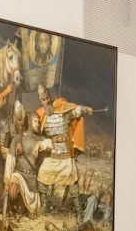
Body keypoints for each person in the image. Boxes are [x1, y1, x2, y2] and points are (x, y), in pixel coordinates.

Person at [34, 83, 94, 212]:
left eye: (47, 98)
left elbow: (74, 111)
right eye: (43, 100)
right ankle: (44, 207)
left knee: (72, 181)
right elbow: (38, 133)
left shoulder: (62, 109)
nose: (46, 101)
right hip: (52, 155)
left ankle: (79, 212)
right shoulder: (41, 115)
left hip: (65, 153)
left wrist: (85, 109)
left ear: (50, 97)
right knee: (42, 176)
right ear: (40, 101)